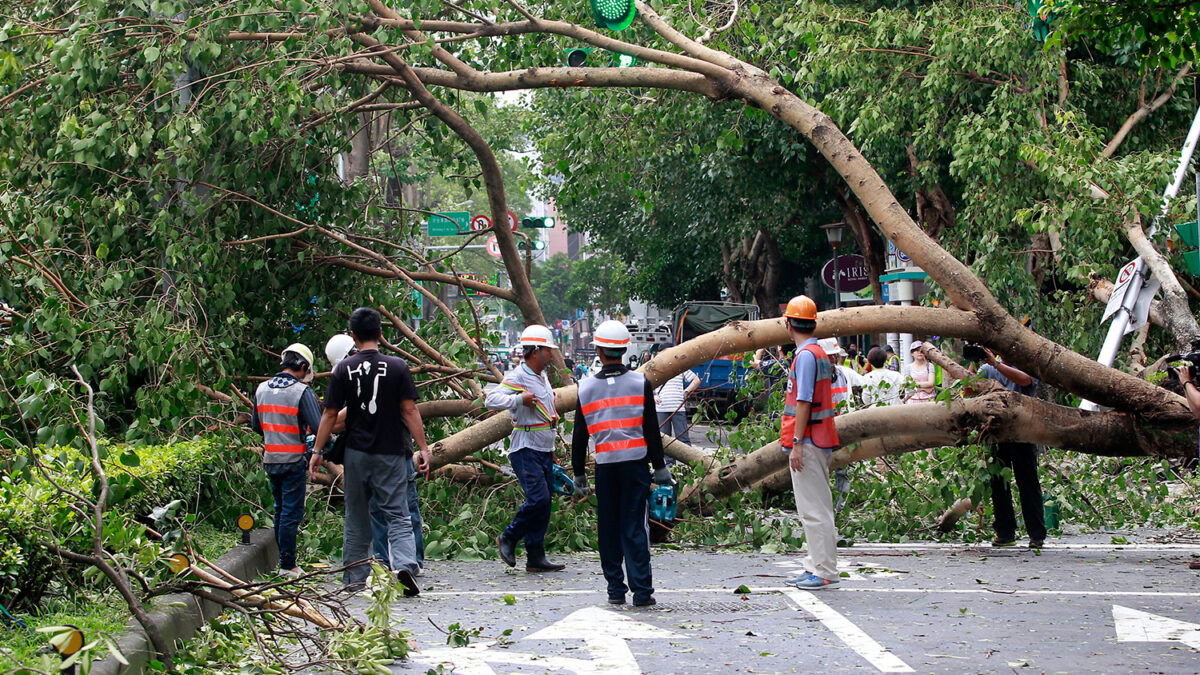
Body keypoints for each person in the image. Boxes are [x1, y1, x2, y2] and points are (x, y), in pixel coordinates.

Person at [310, 308, 430, 594]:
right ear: (380, 334)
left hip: (356, 453)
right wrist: (423, 448)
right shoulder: (398, 366)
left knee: (357, 515)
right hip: (391, 452)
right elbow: (410, 409)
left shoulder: (342, 369)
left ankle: (354, 578)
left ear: (353, 336)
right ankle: (403, 566)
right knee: (398, 514)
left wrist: (317, 450)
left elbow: (329, 414)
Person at [571, 321, 672, 607]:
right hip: (635, 467)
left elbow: (580, 435)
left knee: (608, 527)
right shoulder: (640, 383)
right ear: (625, 349)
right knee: (635, 527)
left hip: (605, 469)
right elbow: (651, 430)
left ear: (599, 351)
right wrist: (660, 465)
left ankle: (615, 589)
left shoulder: (586, 387)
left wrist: (579, 473)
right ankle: (642, 592)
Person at [486, 324, 566, 573]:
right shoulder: (517, 377)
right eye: (548, 350)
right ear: (535, 352)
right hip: (525, 448)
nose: (552, 355)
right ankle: (509, 537)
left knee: (545, 502)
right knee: (538, 498)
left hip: (543, 448)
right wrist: (518, 399)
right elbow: (491, 400)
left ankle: (535, 556)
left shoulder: (541, 377)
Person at [778, 296, 842, 590]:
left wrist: (797, 442)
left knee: (815, 511)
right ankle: (816, 564)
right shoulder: (816, 353)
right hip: (819, 438)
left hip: (810, 440)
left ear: (789, 324)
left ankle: (824, 569)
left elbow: (803, 401)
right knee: (816, 508)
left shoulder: (805, 356)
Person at [251, 343, 323, 578]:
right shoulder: (301, 392)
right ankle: (288, 565)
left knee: (280, 511)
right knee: (292, 514)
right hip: (293, 460)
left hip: (271, 458)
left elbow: (256, 426)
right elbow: (319, 425)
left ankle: (284, 561)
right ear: (303, 367)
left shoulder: (261, 389)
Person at [971, 347, 1046, 548]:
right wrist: (973, 363)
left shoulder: (1024, 365)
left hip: (1023, 433)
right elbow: (968, 388)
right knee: (999, 484)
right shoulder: (987, 368)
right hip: (996, 434)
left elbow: (1026, 381)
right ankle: (1005, 532)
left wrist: (996, 364)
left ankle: (1036, 535)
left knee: (1027, 482)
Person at [654, 342, 700, 462]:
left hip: (677, 407)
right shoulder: (655, 367)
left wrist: (686, 391)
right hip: (661, 408)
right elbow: (647, 385)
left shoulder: (680, 366)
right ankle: (669, 465)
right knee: (664, 440)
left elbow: (696, 380)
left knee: (683, 438)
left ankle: (690, 463)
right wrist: (653, 396)